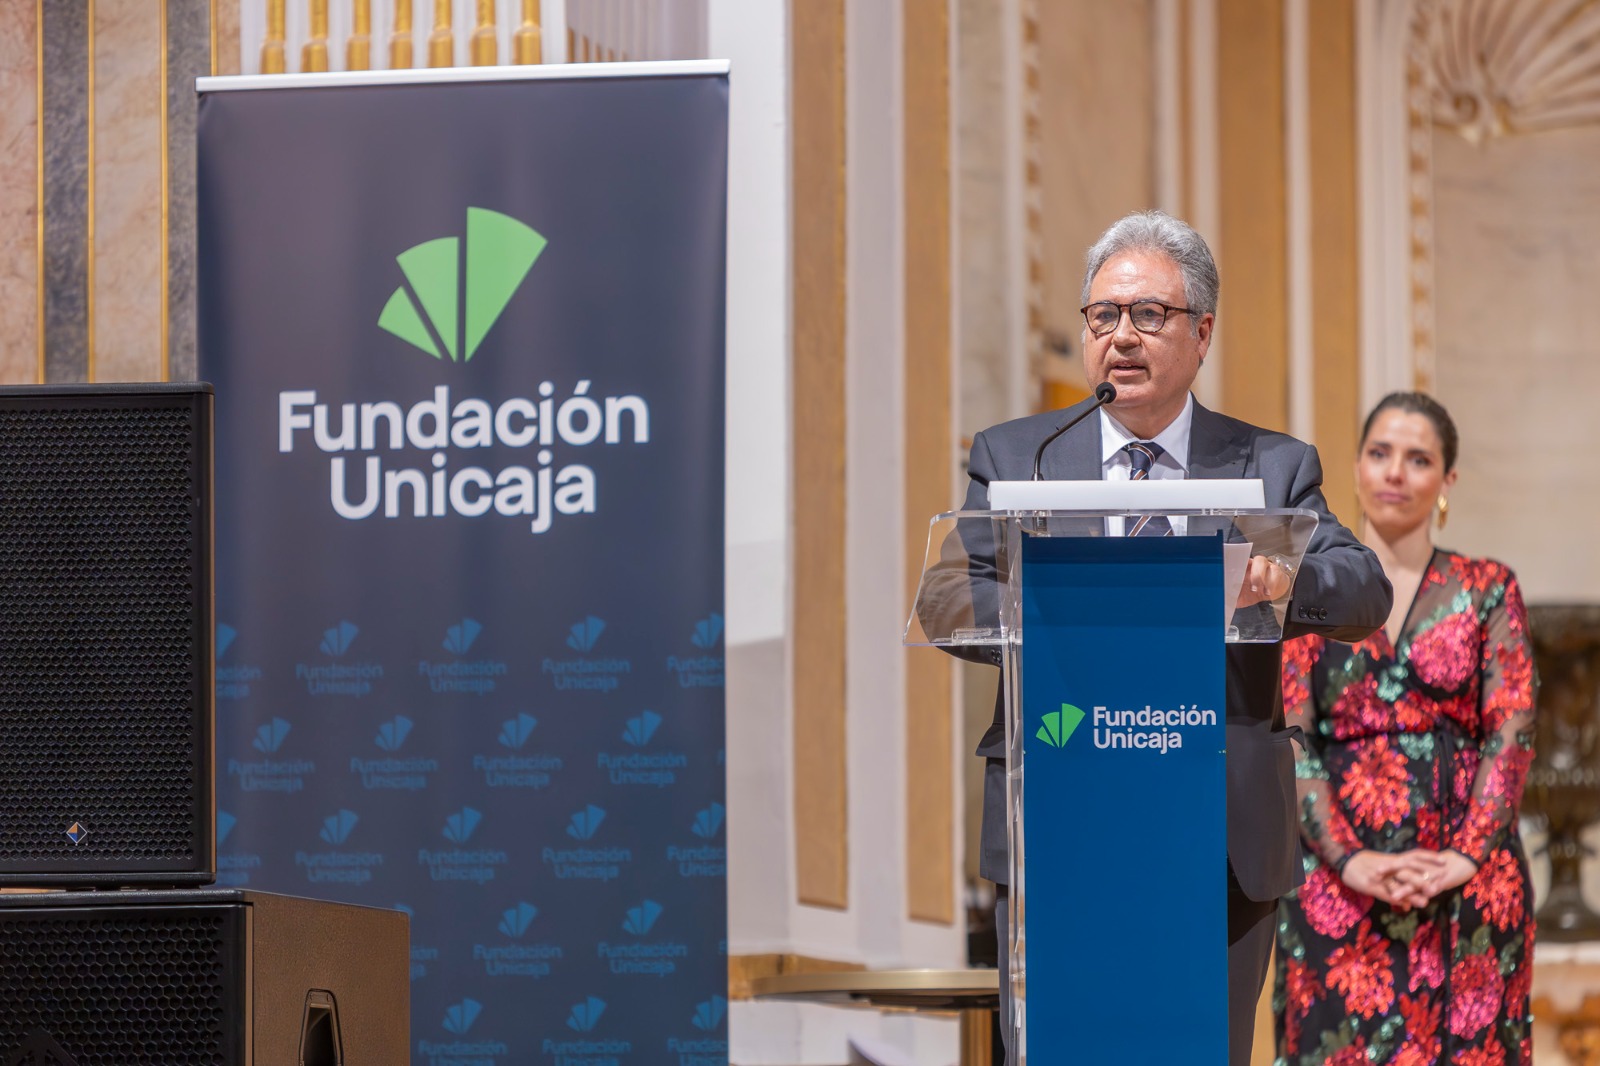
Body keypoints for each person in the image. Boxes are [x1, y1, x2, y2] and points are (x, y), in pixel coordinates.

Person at [938, 210, 1393, 1066]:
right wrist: (1061, 607)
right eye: (1103, 316)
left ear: (1202, 334)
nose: (1121, 337)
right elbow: (959, 597)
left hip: (1213, 833)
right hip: (1060, 815)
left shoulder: (1269, 465)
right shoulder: (1019, 458)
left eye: (1149, 315)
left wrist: (1285, 581)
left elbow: (1363, 590)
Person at [1273, 392, 1537, 1065]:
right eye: (1380, 453)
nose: (1395, 472)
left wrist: (1464, 858)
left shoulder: (1485, 586)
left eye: (1419, 459)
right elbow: (1292, 736)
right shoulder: (1310, 589)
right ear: (1357, 467)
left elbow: (1512, 728)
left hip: (1469, 884)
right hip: (1338, 888)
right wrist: (1350, 859)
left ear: (1447, 481)